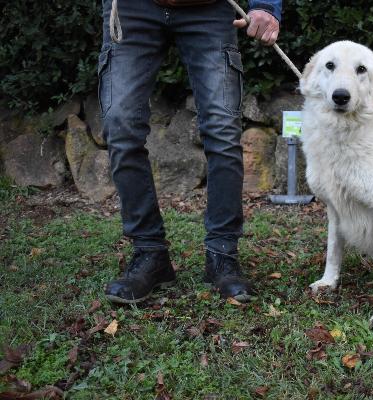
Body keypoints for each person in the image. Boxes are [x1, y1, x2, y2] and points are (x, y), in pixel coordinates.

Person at [100, 0, 282, 304]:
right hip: (132, 8)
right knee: (120, 126)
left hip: (208, 7)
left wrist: (266, 4)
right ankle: (149, 254)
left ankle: (222, 256)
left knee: (223, 131)